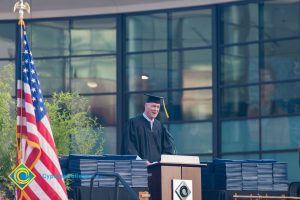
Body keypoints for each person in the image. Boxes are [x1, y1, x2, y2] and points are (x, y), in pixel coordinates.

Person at [122, 94, 175, 164]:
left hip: (157, 169)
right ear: (146, 106)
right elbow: (129, 147)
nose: (156, 109)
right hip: (139, 169)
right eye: (153, 106)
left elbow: (167, 149)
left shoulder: (160, 127)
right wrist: (142, 162)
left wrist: (160, 162)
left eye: (158, 107)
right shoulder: (133, 123)